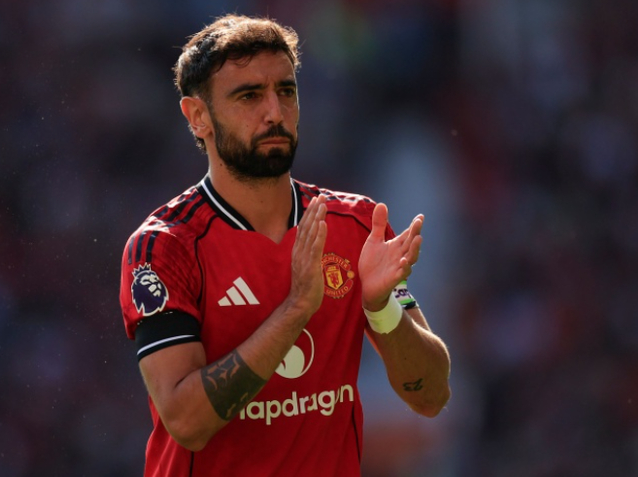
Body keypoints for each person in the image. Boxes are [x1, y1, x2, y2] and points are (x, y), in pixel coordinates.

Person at [119, 14, 451, 477]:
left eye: (286, 92)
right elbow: (187, 422)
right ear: (198, 117)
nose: (275, 112)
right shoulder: (164, 248)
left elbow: (431, 396)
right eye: (249, 96)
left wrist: (381, 309)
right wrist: (295, 311)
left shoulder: (355, 226)